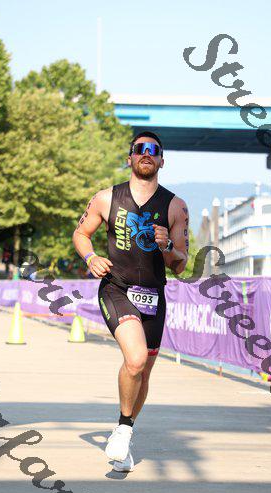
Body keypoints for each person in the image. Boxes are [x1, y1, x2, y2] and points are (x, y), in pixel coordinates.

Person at [72, 131, 189, 472]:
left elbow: (180, 265)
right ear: (130, 158)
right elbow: (81, 233)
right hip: (116, 288)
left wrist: (168, 246)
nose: (146, 153)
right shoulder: (106, 198)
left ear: (162, 161)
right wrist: (91, 257)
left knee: (144, 371)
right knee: (135, 360)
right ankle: (123, 430)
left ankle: (124, 436)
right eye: (140, 149)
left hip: (154, 295)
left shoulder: (175, 206)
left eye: (154, 150)